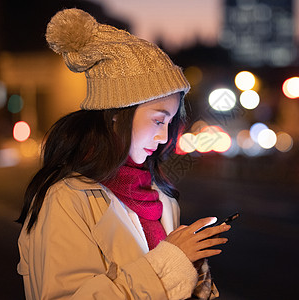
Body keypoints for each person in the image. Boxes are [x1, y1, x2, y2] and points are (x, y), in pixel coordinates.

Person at [16, 8, 230, 300]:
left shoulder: (161, 198)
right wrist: (172, 260)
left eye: (169, 123)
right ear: (117, 114)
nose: (164, 136)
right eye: (157, 120)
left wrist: (191, 268)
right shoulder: (66, 200)